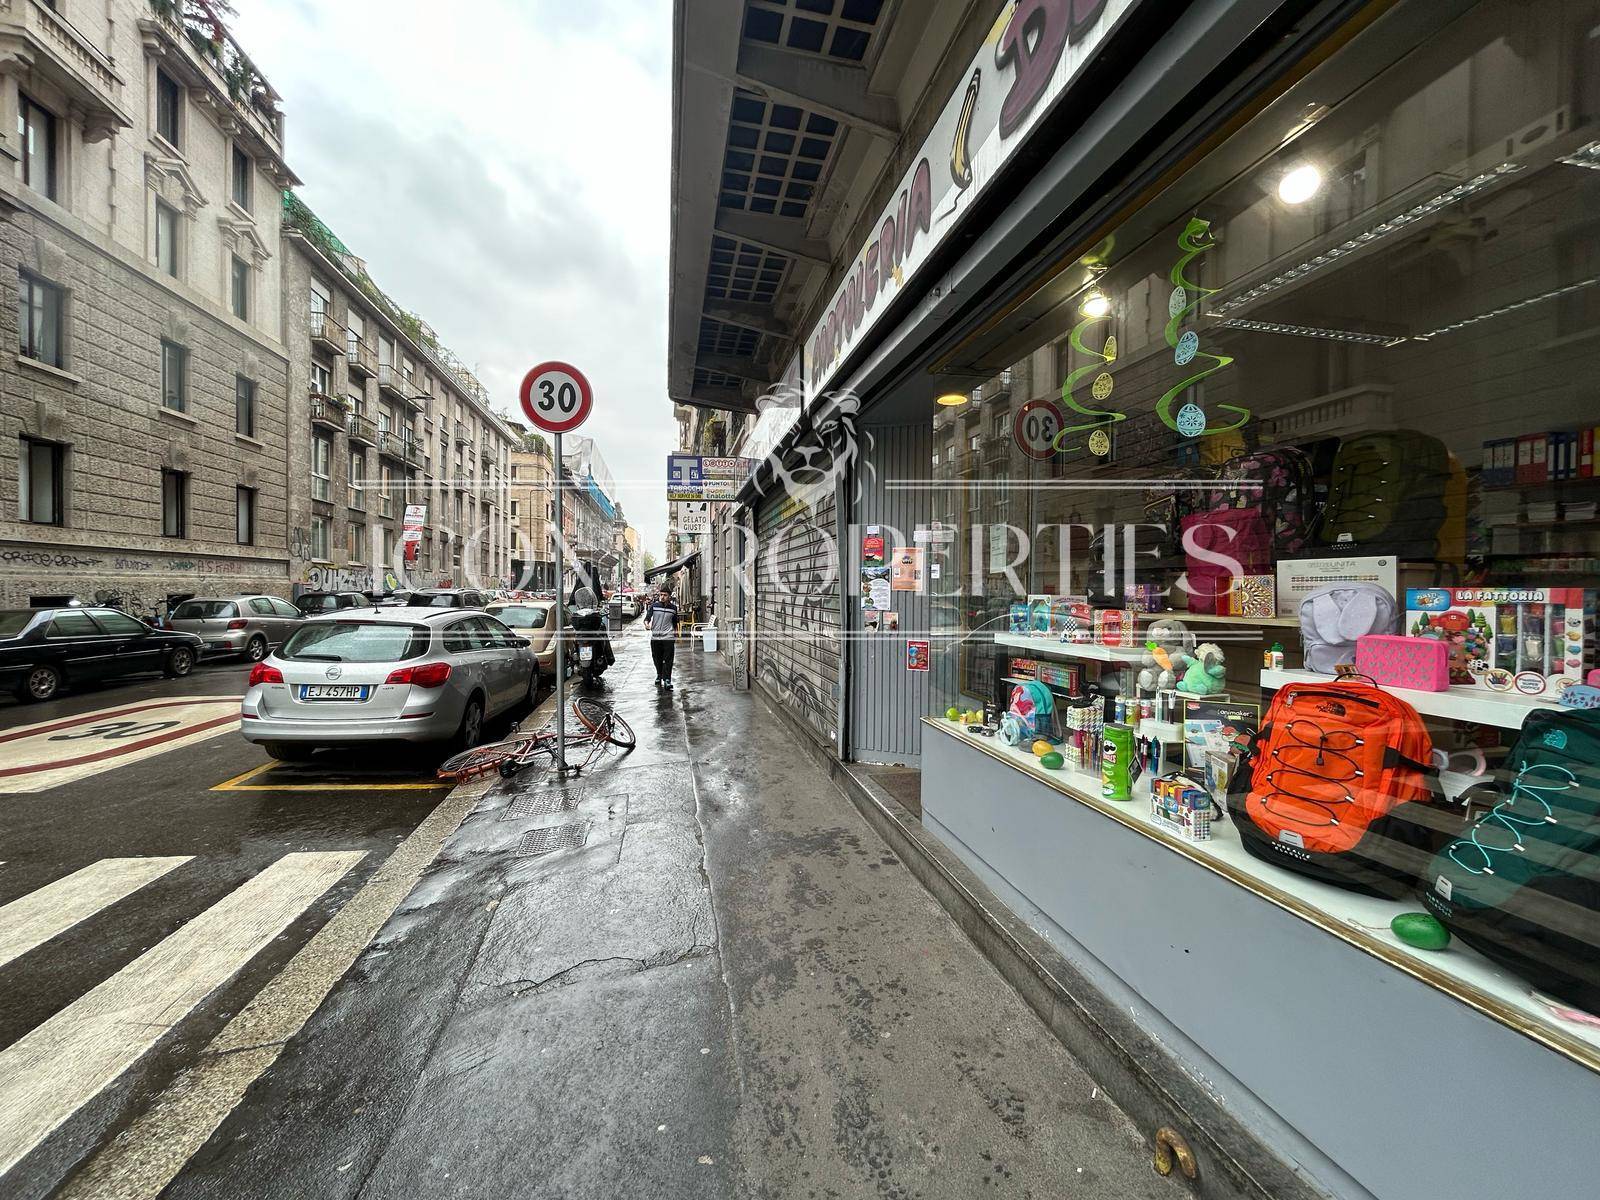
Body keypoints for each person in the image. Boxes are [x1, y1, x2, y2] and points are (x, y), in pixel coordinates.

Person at [647, 585, 680, 688]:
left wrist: (676, 633)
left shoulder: (673, 608)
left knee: (668, 659)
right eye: (661, 595)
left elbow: (674, 622)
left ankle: (667, 680)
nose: (662, 597)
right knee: (657, 658)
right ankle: (659, 674)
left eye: (665, 595)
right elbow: (647, 617)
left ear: (669, 596)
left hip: (668, 637)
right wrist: (646, 624)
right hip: (655, 637)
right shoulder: (654, 606)